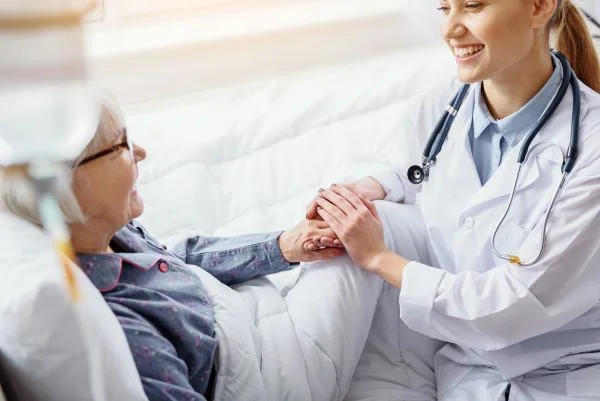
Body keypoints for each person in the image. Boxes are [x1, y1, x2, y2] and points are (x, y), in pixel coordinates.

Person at [0, 92, 384, 401]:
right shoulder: (127, 335)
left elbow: (171, 259)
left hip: (243, 318)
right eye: (120, 145)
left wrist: (281, 246)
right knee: (374, 220)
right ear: (66, 183)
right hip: (274, 370)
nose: (140, 152)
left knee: (353, 222)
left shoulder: (102, 235)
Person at [307, 0, 600, 400]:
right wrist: (366, 190)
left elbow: (512, 306)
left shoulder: (592, 147)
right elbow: (409, 167)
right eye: (446, 8)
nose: (450, 29)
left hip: (574, 372)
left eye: (473, 6)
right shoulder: (444, 104)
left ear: (539, 7)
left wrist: (378, 258)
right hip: (468, 368)